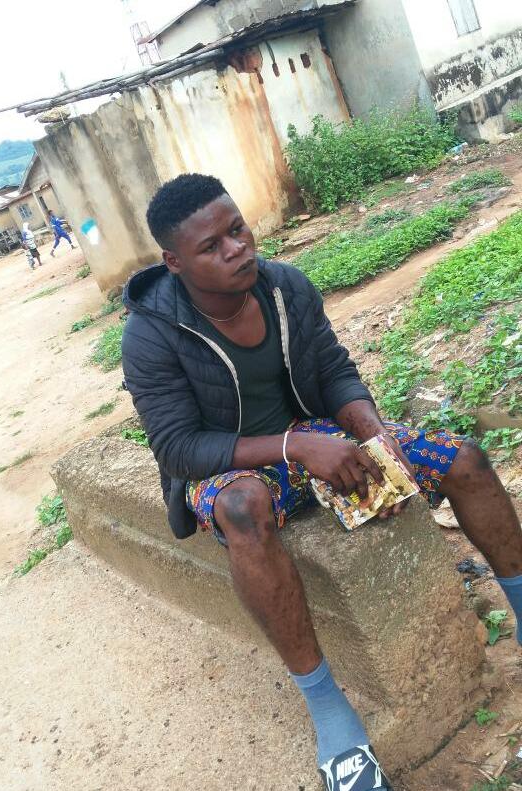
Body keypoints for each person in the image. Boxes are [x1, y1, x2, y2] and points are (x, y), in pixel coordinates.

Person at [122, 174, 522, 790]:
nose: (237, 248)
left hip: (314, 436)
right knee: (241, 508)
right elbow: (177, 448)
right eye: (212, 246)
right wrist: (294, 448)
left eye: (237, 229)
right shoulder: (151, 333)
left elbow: (335, 371)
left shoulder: (285, 287)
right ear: (174, 262)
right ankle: (332, 715)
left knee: (464, 459)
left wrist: (372, 432)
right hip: (228, 464)